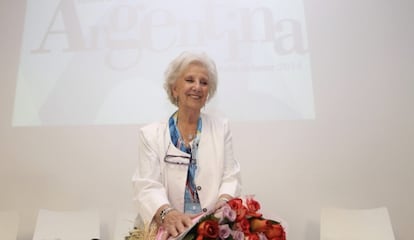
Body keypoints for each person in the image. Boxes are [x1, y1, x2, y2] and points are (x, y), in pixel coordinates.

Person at [132, 51, 242, 239]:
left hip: (211, 229)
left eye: (204, 82)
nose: (197, 87)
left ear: (208, 92)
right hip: (166, 229)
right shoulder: (151, 134)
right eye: (190, 80)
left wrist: (222, 207)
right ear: (174, 89)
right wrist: (168, 214)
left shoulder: (221, 128)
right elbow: (147, 186)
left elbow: (231, 176)